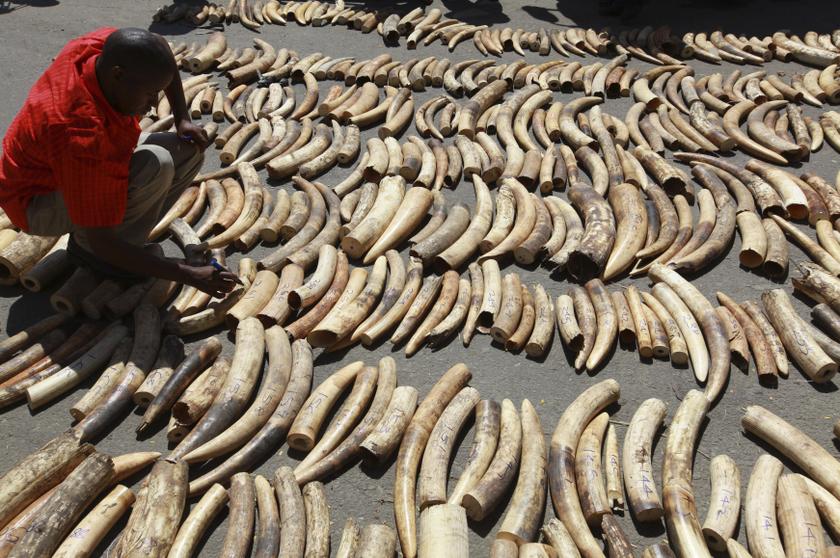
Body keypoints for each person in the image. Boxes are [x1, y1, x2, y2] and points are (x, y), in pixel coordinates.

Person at [0, 27, 237, 298]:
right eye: (149, 93)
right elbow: (103, 241)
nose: (152, 104)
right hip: (36, 202)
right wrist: (187, 273)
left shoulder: (95, 49)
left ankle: (123, 239)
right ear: (117, 75)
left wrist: (182, 116)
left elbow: (160, 52)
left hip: (72, 169)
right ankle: (92, 254)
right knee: (155, 165)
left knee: (187, 150)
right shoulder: (81, 135)